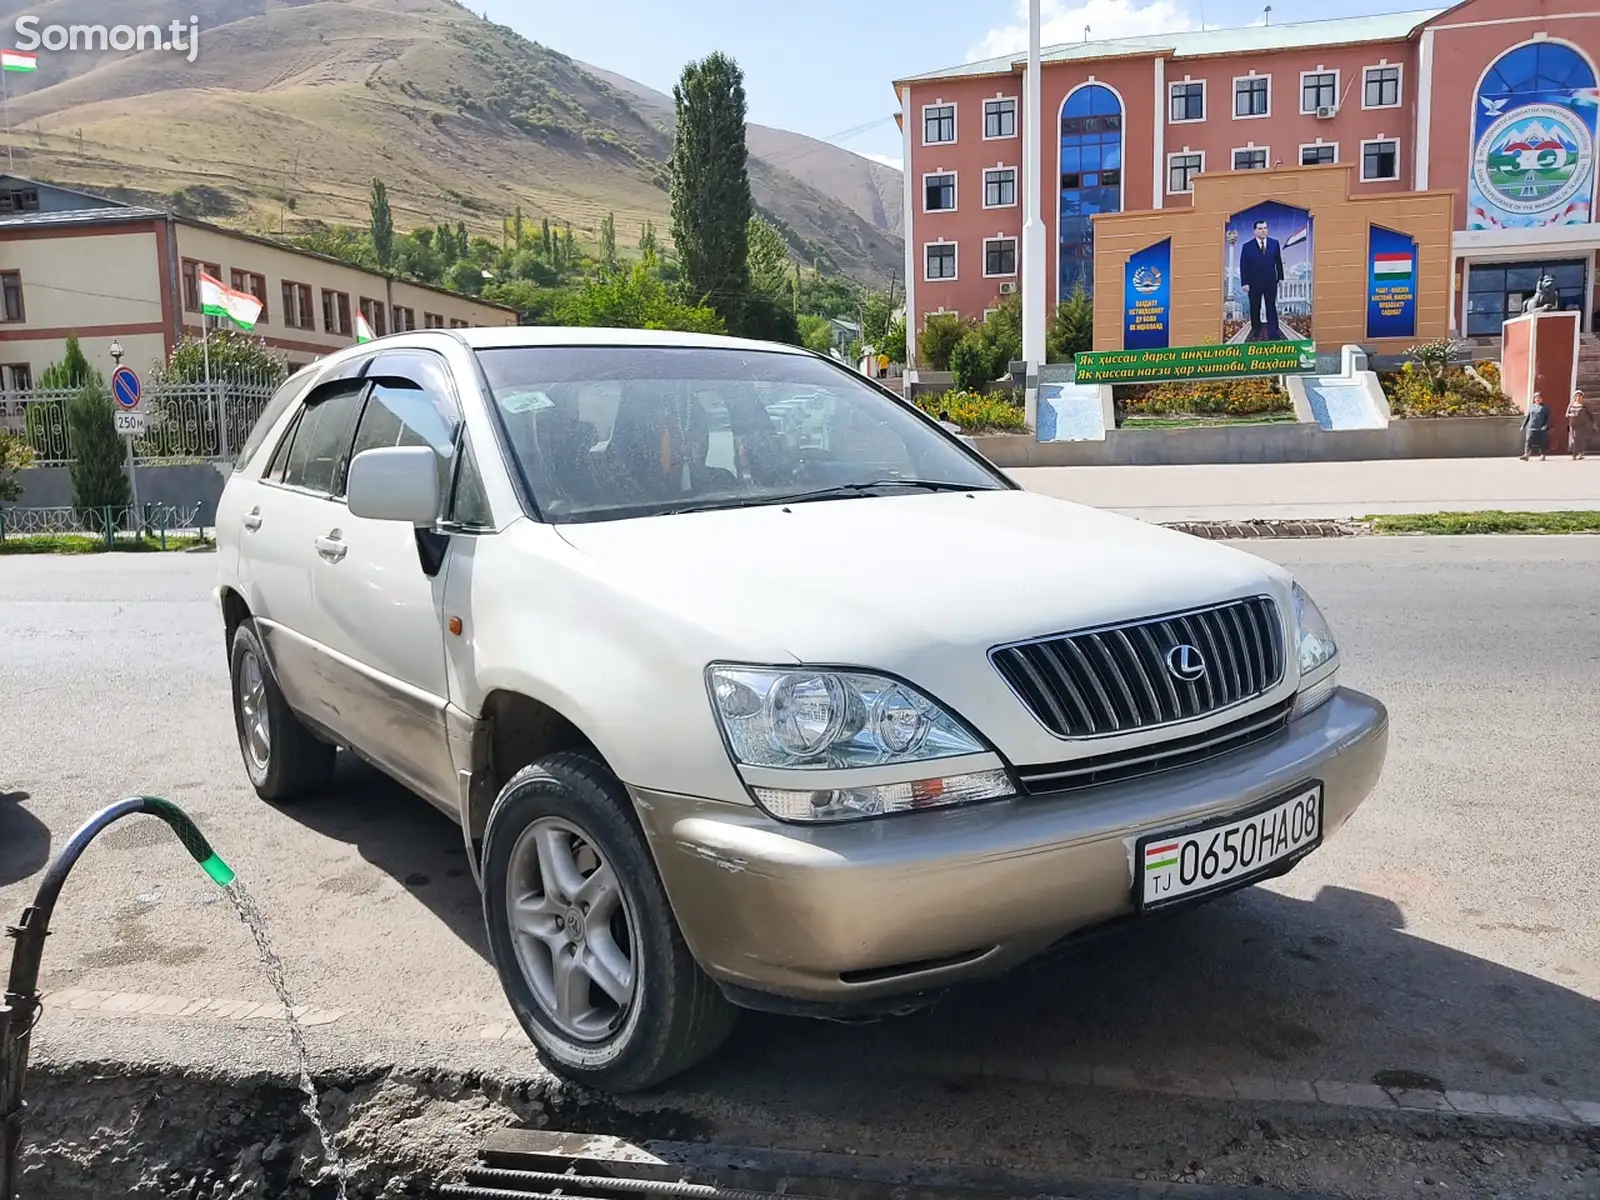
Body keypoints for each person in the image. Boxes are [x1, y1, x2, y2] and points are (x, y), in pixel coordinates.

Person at [1238, 219, 1284, 341]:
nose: (1263, 231)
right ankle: (1256, 331)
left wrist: (1280, 277)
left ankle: (1273, 333)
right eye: (1260, 228)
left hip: (1270, 282)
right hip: (1253, 283)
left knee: (1271, 307)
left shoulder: (1274, 243)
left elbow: (1278, 262)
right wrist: (1244, 282)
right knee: (1255, 307)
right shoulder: (1247, 247)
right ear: (1255, 231)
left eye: (1265, 228)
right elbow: (1243, 265)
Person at [1520, 391, 1550, 461]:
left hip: (1540, 428)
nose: (1537, 399)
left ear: (1542, 399)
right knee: (1528, 441)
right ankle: (1526, 455)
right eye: (1536, 398)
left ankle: (1543, 454)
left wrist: (1546, 426)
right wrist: (1523, 426)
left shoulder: (1545, 407)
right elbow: (1528, 417)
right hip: (1531, 427)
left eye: (1539, 398)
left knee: (1541, 442)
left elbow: (1548, 418)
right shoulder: (1532, 407)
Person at [1568, 389, 1593, 460]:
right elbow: (1566, 414)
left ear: (1582, 397)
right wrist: (1571, 415)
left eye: (1580, 396)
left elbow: (1590, 414)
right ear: (1574, 397)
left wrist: (1592, 423)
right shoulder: (1571, 404)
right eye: (1577, 396)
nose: (1578, 397)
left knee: (1579, 439)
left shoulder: (1584, 405)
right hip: (1573, 424)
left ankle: (1576, 454)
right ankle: (1578, 453)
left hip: (1581, 424)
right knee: (1574, 439)